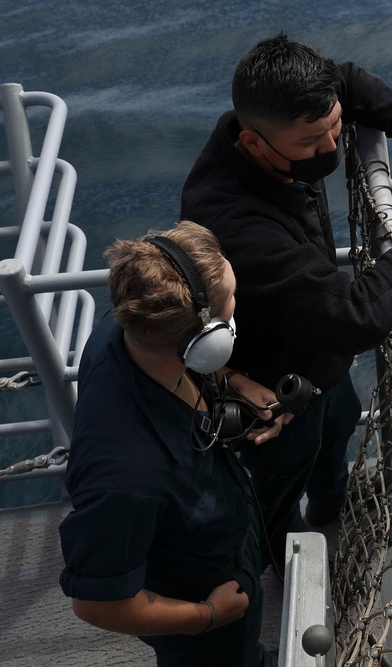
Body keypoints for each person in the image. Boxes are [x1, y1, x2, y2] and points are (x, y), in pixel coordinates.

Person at [180, 33, 392, 562]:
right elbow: (351, 314)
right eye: (314, 140)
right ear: (253, 143)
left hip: (321, 369)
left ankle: (332, 508)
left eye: (338, 128)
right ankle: (286, 564)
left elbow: (351, 79)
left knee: (339, 426)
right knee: (279, 485)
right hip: (271, 393)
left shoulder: (290, 115)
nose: (333, 148)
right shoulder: (235, 221)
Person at [59, 221, 287, 666]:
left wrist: (233, 379)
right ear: (208, 341)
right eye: (232, 300)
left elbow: (175, 353)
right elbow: (97, 604)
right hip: (202, 615)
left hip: (227, 547)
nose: (236, 305)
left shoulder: (125, 328)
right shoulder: (125, 476)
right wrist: (206, 616)